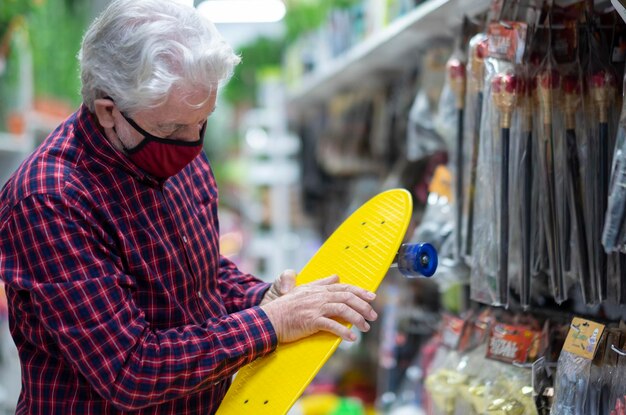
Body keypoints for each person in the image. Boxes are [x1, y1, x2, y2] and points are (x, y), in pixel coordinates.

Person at [0, 0, 379, 413]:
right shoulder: (51, 200)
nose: (192, 142)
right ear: (109, 111)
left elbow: (199, 272)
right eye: (174, 127)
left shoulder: (172, 144)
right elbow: (131, 370)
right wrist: (272, 323)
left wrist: (262, 296)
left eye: (203, 121)